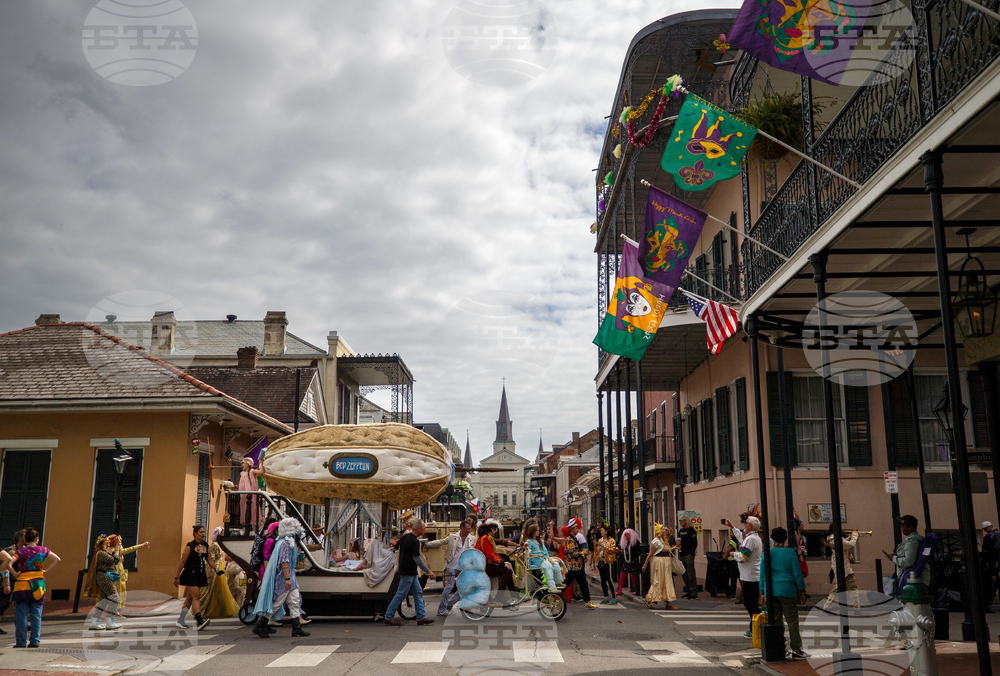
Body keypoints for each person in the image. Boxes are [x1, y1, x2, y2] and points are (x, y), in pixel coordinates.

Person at [252, 517, 311, 637]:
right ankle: (260, 625)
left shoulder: (286, 542)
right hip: (284, 578)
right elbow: (284, 562)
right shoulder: (284, 543)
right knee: (277, 603)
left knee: (294, 601)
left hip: (290, 577)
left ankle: (296, 628)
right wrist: (288, 579)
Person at [3, 527, 60, 648]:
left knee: (21, 615)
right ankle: (34, 641)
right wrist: (45, 571)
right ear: (36, 539)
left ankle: (20, 642)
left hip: (22, 584)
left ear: (25, 540)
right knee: (36, 614)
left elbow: (8, 562)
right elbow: (57, 559)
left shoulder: (20, 552)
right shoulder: (43, 550)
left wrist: (15, 573)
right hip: (38, 584)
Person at [759, 527, 808, 659]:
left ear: (772, 539)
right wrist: (802, 590)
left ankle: (780, 646)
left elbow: (762, 574)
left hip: (771, 591)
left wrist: (762, 592)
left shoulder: (766, 553)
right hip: (788, 590)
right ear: (785, 539)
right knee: (792, 620)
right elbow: (797, 573)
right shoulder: (790, 553)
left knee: (776, 620)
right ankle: (796, 649)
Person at [384, 519, 436, 625]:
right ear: (419, 528)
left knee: (418, 593)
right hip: (408, 572)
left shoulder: (404, 538)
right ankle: (388, 616)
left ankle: (421, 617)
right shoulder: (414, 541)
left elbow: (394, 549)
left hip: (408, 571)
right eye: (424, 528)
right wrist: (428, 571)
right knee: (401, 594)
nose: (425, 529)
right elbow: (417, 559)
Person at [424, 517, 475, 616]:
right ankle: (441, 609)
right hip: (452, 566)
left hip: (464, 567)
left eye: (470, 528)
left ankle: (450, 604)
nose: (469, 530)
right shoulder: (452, 537)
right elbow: (440, 542)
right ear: (462, 528)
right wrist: (425, 545)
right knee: (448, 588)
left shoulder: (472, 538)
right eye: (467, 528)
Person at [173, 525, 219, 630]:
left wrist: (216, 569)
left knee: (189, 598)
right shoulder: (189, 546)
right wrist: (177, 576)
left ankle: (180, 620)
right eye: (200, 532)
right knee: (196, 596)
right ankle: (199, 621)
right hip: (190, 574)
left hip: (200, 574)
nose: (203, 534)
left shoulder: (205, 545)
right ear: (195, 534)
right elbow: (182, 562)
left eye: (203, 532)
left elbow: (210, 559)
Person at [726, 515, 763, 638]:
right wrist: (732, 526)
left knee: (750, 604)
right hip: (751, 575)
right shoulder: (752, 538)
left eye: (746, 523)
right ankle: (755, 627)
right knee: (750, 603)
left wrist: (733, 554)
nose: (744, 524)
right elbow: (742, 542)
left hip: (750, 576)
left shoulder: (751, 539)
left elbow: (744, 555)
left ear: (751, 526)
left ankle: (756, 628)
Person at [200, 527, 239, 618]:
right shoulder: (214, 545)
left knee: (219, 590)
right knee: (211, 590)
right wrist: (209, 571)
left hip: (219, 568)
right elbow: (211, 558)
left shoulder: (218, 545)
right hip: (215, 569)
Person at [884, 515, 930, 589]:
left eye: (902, 526)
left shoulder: (911, 541)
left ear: (909, 527)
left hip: (911, 580)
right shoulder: (919, 539)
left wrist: (894, 558)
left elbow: (909, 561)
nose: (901, 529)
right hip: (918, 579)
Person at [474, 523, 518, 598]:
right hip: (484, 566)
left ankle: (514, 594)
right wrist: (502, 564)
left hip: (485, 565)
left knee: (508, 569)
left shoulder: (486, 538)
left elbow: (494, 554)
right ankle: (500, 596)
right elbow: (490, 555)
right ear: (490, 530)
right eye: (494, 530)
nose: (495, 532)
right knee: (507, 571)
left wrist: (503, 563)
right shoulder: (486, 538)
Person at [563, 519, 598, 609]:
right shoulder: (570, 540)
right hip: (573, 566)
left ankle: (588, 601)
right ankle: (555, 596)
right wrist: (583, 553)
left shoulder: (574, 539)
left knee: (583, 583)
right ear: (571, 529)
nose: (577, 529)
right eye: (575, 528)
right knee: (566, 583)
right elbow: (572, 553)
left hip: (578, 566)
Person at [642, 523, 678, 610]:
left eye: (665, 530)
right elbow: (651, 554)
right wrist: (645, 564)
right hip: (659, 563)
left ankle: (668, 603)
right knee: (658, 581)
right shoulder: (656, 542)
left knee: (667, 582)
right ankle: (649, 599)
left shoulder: (664, 541)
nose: (665, 531)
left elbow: (666, 550)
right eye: (662, 530)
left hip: (666, 563)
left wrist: (674, 548)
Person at [822, 526, 860, 609]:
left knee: (836, 588)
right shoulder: (837, 539)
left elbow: (844, 542)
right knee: (852, 587)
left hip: (838, 566)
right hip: (844, 567)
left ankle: (827, 606)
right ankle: (857, 609)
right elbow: (851, 544)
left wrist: (850, 536)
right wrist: (854, 535)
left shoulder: (833, 539)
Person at [524, 523, 563, 591]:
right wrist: (537, 555)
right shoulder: (529, 541)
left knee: (555, 564)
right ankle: (551, 586)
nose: (538, 532)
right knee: (547, 566)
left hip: (543, 557)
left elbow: (545, 551)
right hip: (536, 559)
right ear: (532, 532)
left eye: (538, 531)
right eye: (536, 531)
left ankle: (557, 583)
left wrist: (549, 558)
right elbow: (528, 553)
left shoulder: (540, 541)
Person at [0, 530, 25, 635]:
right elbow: (5, 567)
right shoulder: (11, 551)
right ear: (20, 539)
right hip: (10, 580)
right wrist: (6, 584)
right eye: (26, 536)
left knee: (21, 603)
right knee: (3, 604)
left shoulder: (25, 550)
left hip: (19, 581)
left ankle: (22, 624)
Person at [596, 525, 618, 604]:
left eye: (602, 530)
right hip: (601, 561)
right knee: (602, 580)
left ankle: (614, 597)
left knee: (609, 578)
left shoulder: (611, 540)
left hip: (608, 561)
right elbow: (597, 551)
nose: (601, 532)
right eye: (600, 530)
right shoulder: (600, 540)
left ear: (606, 531)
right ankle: (606, 596)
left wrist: (604, 546)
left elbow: (612, 550)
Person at [238, 456, 263, 527]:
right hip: (243, 496)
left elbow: (262, 471)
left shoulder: (252, 472)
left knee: (252, 507)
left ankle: (253, 523)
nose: (242, 465)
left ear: (248, 464)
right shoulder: (242, 474)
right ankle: (244, 523)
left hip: (250, 495)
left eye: (243, 463)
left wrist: (262, 463)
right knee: (243, 508)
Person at [678, 517, 699, 599]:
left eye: (682, 520)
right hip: (682, 554)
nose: (680, 522)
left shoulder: (691, 530)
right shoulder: (681, 531)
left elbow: (694, 543)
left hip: (688, 555)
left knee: (690, 573)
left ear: (686, 521)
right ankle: (688, 590)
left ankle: (694, 592)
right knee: (684, 573)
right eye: (679, 521)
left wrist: (691, 553)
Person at [981, 521, 1000, 610]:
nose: (985, 530)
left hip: (993, 565)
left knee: (990, 586)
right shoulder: (996, 535)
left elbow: (988, 552)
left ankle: (988, 604)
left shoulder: (990, 537)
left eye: (985, 528)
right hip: (995, 564)